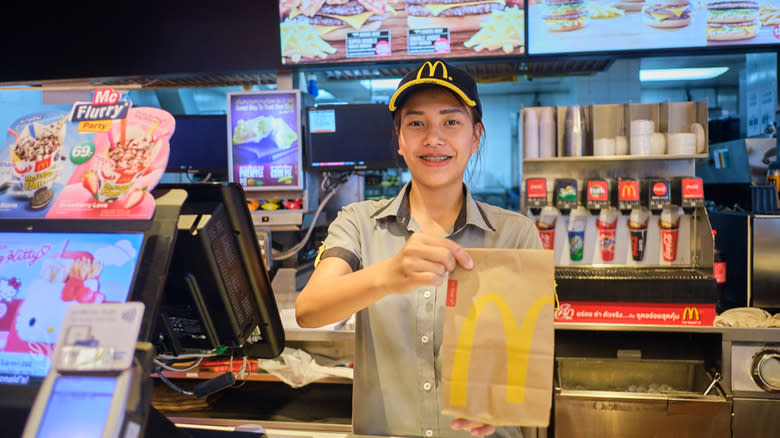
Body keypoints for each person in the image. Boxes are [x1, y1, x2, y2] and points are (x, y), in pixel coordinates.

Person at [295, 59, 542, 438]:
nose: (433, 137)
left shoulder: (515, 234)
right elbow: (310, 310)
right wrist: (388, 275)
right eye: (416, 123)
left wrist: (506, 398)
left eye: (451, 122)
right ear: (399, 138)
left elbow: (530, 355)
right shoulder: (358, 222)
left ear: (476, 136)